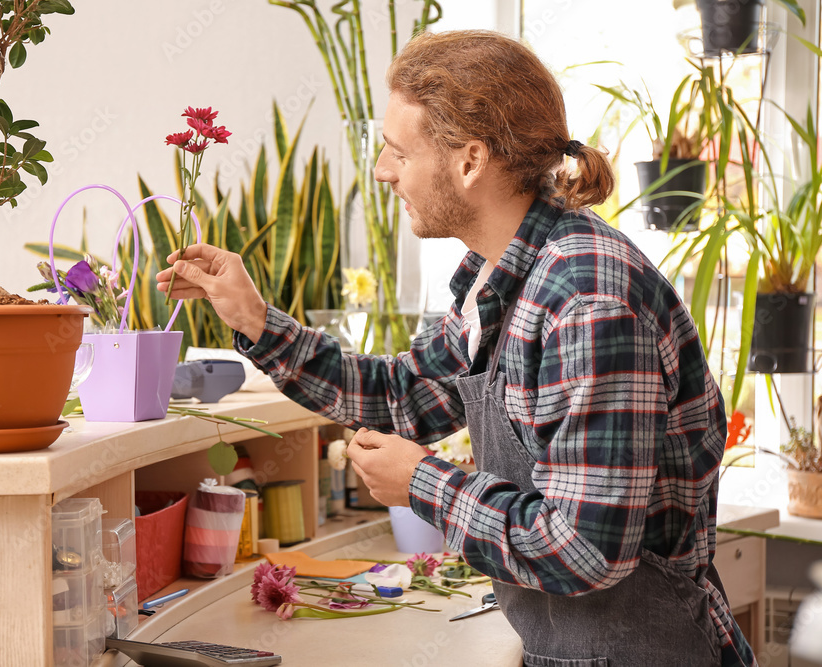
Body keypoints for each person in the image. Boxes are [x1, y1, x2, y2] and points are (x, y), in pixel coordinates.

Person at [157, 29, 752, 667]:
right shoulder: (502, 277)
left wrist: (423, 483)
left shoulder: (585, 304)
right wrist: (253, 318)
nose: (383, 171)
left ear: (470, 162)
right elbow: (401, 395)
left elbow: (586, 550)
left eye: (397, 151)